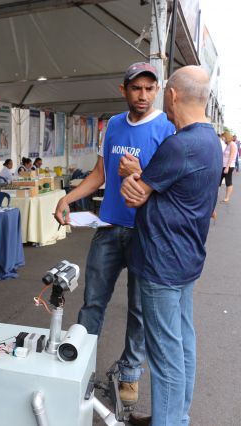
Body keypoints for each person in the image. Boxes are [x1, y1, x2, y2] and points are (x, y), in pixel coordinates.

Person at [54, 62, 175, 406]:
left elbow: (169, 184)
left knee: (139, 309)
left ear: (157, 90)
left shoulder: (167, 129)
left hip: (144, 232)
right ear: (123, 90)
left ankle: (130, 374)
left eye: (149, 89)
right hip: (107, 228)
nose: (143, 95)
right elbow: (100, 174)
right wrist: (68, 197)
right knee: (92, 301)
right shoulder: (113, 125)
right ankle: (79, 365)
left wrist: (141, 172)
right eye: (136, 88)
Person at [121, 66, 220, 426]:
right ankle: (176, 417)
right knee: (182, 344)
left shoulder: (179, 144)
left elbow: (135, 195)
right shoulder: (211, 141)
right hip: (186, 259)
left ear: (173, 95)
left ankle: (168, 421)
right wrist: (142, 181)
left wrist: (132, 174)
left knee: (165, 356)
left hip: (162, 262)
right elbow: (159, 189)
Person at [221, 131, 237, 202]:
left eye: (223, 138)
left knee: (228, 182)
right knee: (219, 180)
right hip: (224, 165)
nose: (223, 139)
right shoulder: (228, 144)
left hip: (229, 166)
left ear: (226, 137)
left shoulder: (232, 144)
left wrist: (227, 167)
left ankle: (227, 198)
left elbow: (231, 156)